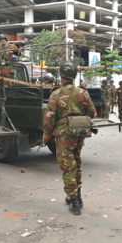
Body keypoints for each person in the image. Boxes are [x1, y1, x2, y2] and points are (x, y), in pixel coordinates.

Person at [42, 61, 96, 215]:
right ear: (74, 75)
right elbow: (92, 113)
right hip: (79, 133)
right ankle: (78, 195)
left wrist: (46, 134)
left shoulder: (56, 93)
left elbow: (49, 117)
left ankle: (74, 201)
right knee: (76, 162)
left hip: (64, 135)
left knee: (67, 167)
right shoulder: (83, 93)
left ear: (62, 76)